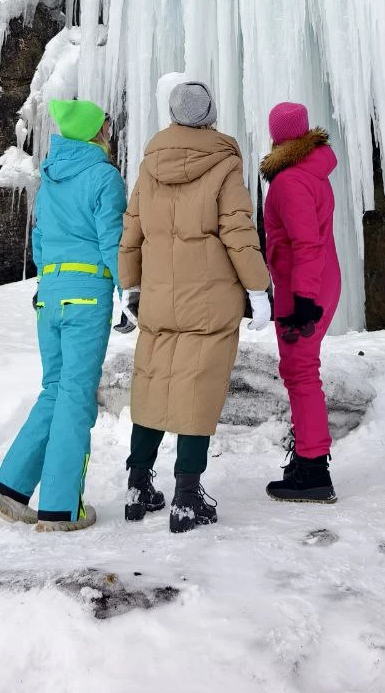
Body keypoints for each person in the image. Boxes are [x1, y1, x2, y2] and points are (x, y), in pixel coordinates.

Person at [119, 80, 272, 533]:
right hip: (210, 300)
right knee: (196, 391)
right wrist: (259, 290)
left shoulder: (150, 164)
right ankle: (188, 496)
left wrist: (129, 288)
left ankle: (137, 483)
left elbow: (132, 232)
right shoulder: (224, 162)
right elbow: (238, 232)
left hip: (160, 298)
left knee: (153, 385)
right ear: (210, 114)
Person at [0, 99, 127, 532]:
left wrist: (48, 285)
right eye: (105, 129)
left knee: (55, 390)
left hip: (50, 296)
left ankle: (9, 487)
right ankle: (62, 507)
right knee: (76, 396)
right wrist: (129, 292)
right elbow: (111, 241)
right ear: (96, 134)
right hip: (86, 296)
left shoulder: (50, 180)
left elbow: (40, 243)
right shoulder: (104, 177)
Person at [261, 102, 341, 503]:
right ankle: (309, 459)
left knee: (301, 372)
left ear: (277, 135)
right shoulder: (310, 171)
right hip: (316, 280)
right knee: (300, 370)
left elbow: (305, 243)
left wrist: (304, 301)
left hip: (304, 287)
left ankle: (312, 469)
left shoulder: (291, 180)